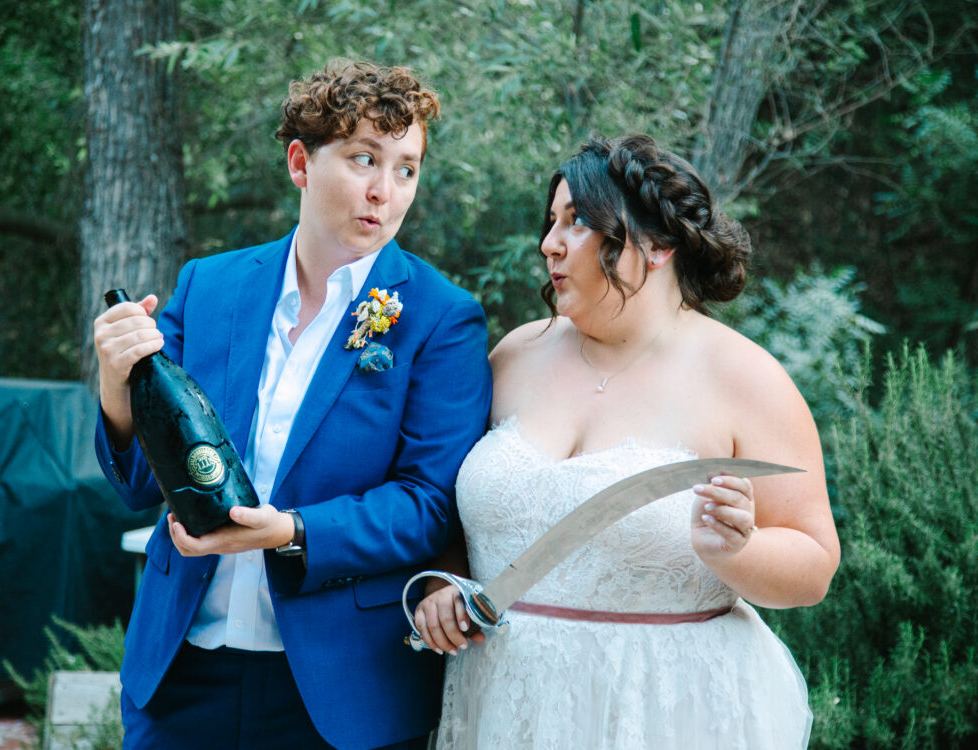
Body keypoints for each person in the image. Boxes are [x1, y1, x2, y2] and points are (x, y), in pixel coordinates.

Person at [93, 60, 492, 750]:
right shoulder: (209, 286)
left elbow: (428, 504)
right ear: (300, 162)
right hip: (179, 679)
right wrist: (113, 379)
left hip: (343, 692)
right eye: (364, 158)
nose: (383, 191)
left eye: (405, 168)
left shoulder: (440, 318)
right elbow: (137, 484)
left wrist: (291, 532)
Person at [412, 134, 840, 749]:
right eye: (551, 221)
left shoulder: (747, 380)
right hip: (505, 698)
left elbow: (814, 567)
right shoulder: (515, 354)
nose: (548, 244)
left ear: (658, 244)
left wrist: (736, 551)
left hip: (665, 708)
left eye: (577, 221)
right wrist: (443, 584)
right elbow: (456, 512)